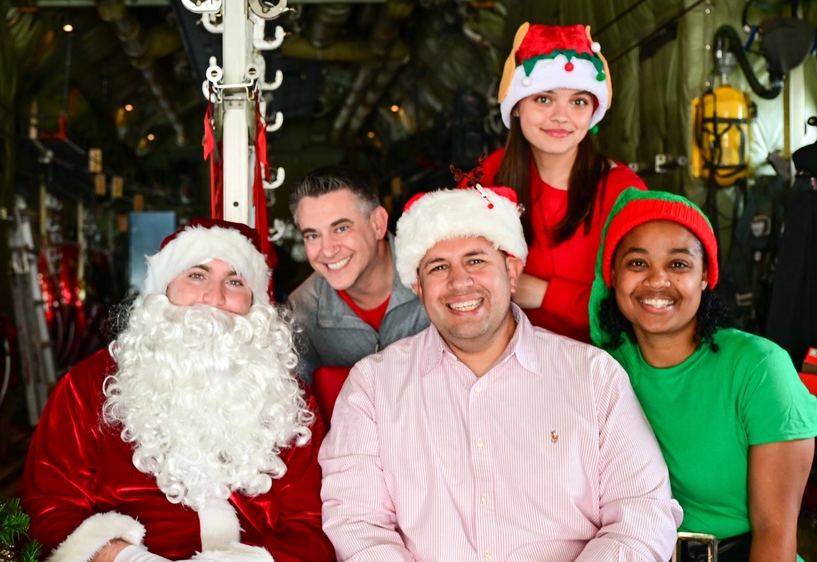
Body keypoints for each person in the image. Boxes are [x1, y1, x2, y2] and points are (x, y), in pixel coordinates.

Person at [319, 187, 682, 561]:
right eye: (438, 267)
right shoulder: (372, 386)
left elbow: (643, 512)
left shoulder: (593, 376)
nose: (460, 282)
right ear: (418, 287)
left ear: (511, 271)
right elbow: (356, 521)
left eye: (476, 260)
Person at [18, 219, 335, 562]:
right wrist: (125, 559)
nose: (214, 297)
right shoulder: (89, 385)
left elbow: (312, 525)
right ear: (164, 289)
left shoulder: (286, 400)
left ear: (253, 303)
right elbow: (46, 506)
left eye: (234, 281)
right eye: (197, 275)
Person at [589, 188, 817, 562]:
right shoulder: (605, 370)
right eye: (638, 263)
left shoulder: (759, 368)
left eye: (678, 264)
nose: (657, 280)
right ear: (612, 274)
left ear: (706, 276)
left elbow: (775, 531)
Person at [454, 22, 646, 342]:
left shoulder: (623, 192)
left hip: (597, 361)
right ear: (516, 106)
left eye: (578, 102)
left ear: (593, 112)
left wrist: (544, 293)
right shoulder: (490, 174)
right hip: (504, 357)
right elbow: (452, 267)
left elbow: (643, 305)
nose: (561, 116)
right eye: (544, 99)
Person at [287, 165, 429, 384]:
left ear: (378, 224)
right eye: (313, 236)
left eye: (341, 228)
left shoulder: (436, 279)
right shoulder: (302, 311)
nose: (327, 251)